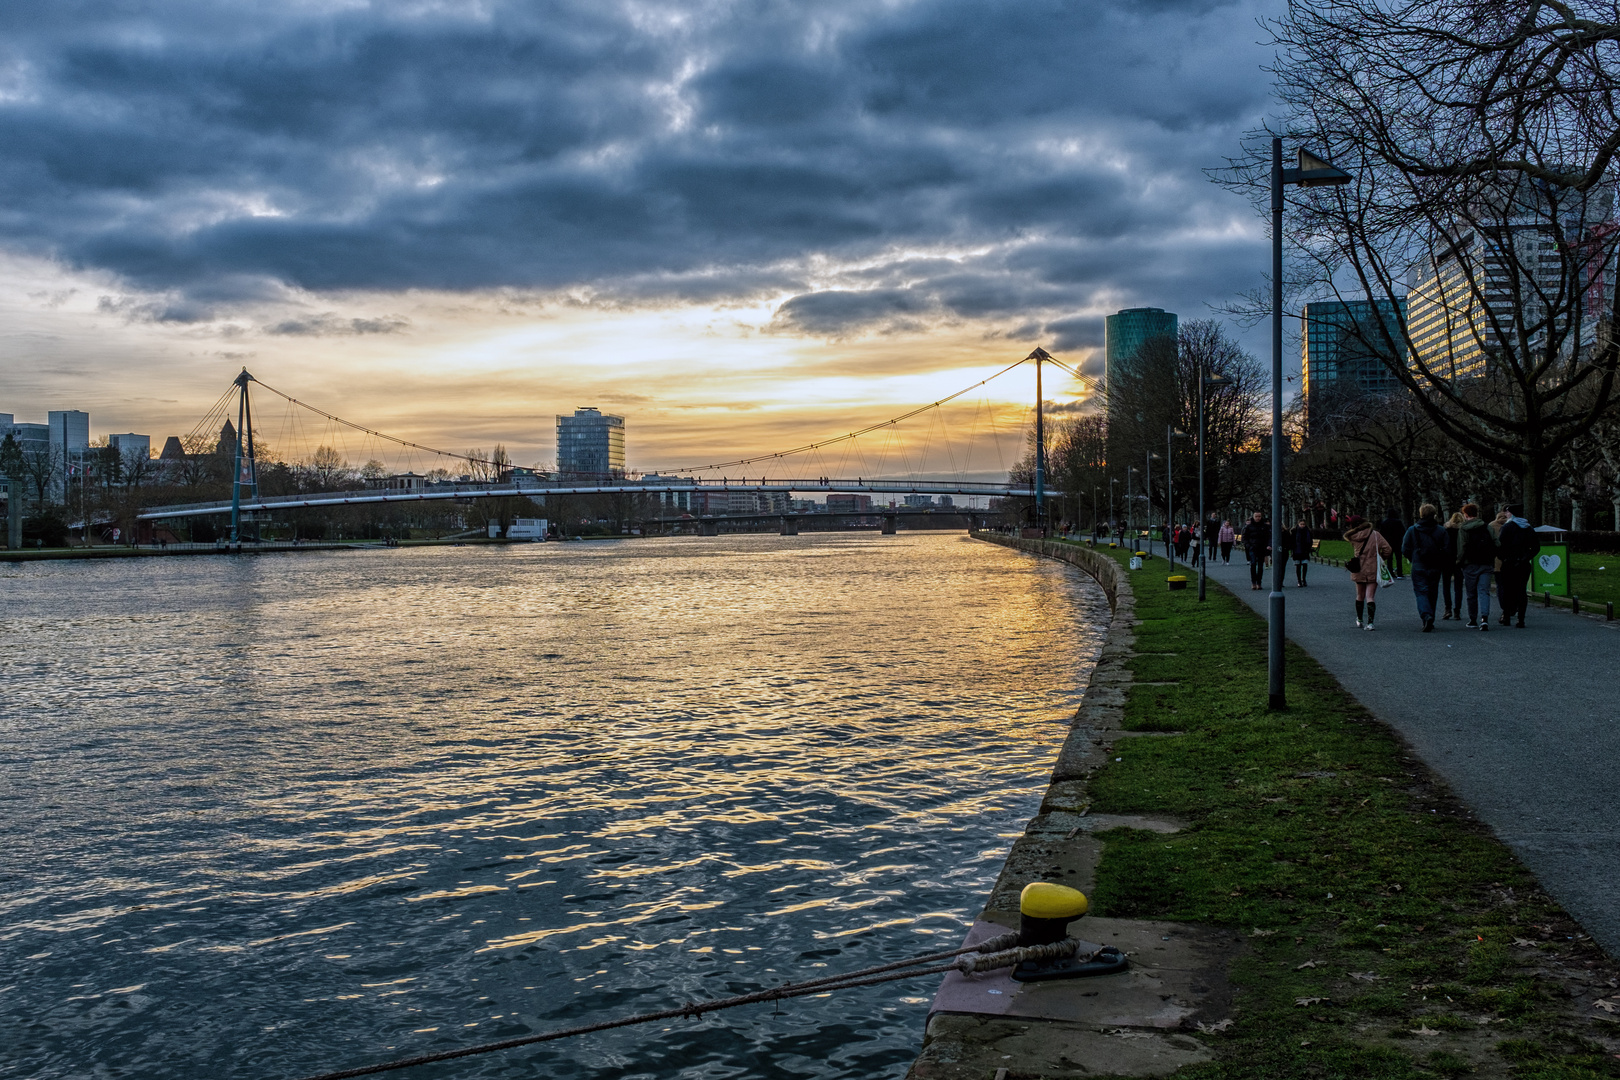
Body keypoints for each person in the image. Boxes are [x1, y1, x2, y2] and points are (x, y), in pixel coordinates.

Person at [1401, 504, 1451, 632]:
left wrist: (1413, 557)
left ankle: (1426, 615)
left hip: (1419, 564)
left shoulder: (1413, 530)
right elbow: (1447, 549)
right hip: (1435, 565)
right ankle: (1431, 617)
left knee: (1421, 591)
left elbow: (1405, 548)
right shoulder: (1441, 530)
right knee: (1433, 592)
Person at [1344, 515, 1393, 629]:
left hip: (1358, 568)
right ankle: (1370, 623)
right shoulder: (1375, 535)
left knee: (1359, 595)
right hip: (1373, 568)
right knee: (1370, 596)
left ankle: (1359, 619)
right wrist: (1380, 558)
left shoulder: (1352, 536)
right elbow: (1388, 549)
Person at [1496, 503, 1539, 628]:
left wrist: (1503, 557)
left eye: (1508, 512)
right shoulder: (1528, 528)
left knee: (1507, 590)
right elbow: (1536, 547)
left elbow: (1500, 545)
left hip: (1509, 562)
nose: (1506, 514)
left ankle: (1507, 616)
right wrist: (1526, 557)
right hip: (1523, 563)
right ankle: (1521, 619)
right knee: (1521, 590)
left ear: (1512, 514)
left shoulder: (1508, 527)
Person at [1456, 502, 1498, 629]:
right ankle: (1484, 618)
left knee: (1471, 592)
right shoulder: (1486, 527)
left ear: (1466, 515)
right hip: (1486, 563)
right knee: (1484, 591)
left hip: (1470, 564)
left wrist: (1459, 562)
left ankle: (1472, 619)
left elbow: (1462, 547)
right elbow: (1497, 543)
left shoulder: (1463, 528)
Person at [1441, 510, 1465, 619]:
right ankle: (1457, 610)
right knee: (1458, 587)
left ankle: (1447, 608)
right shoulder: (1462, 531)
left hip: (1446, 560)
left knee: (1446, 585)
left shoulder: (1445, 530)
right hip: (1459, 561)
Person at [1240, 511, 1270, 590]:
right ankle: (1253, 582)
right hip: (1252, 547)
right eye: (1256, 516)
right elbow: (1245, 537)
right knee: (1253, 564)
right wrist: (1248, 545)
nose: (1258, 518)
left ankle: (1259, 582)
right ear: (1253, 517)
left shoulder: (1264, 526)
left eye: (1259, 516)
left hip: (1262, 548)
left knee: (1260, 566)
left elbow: (1268, 536)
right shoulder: (1249, 527)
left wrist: (1268, 545)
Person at [1377, 508, 1407, 578]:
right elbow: (1403, 532)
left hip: (1388, 542)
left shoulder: (1385, 523)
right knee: (1398, 558)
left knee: (1389, 559)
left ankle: (1390, 573)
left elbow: (1382, 533)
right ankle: (1400, 573)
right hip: (1397, 542)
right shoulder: (1398, 522)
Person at [1290, 518, 1313, 586]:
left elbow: (1310, 541)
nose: (1302, 525)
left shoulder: (1308, 531)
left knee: (1305, 565)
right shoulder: (1294, 531)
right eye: (1301, 524)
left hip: (1305, 550)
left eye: (1303, 524)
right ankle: (1299, 580)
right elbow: (1292, 541)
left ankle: (1304, 579)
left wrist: (1309, 548)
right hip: (1297, 550)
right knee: (1298, 566)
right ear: (1298, 524)